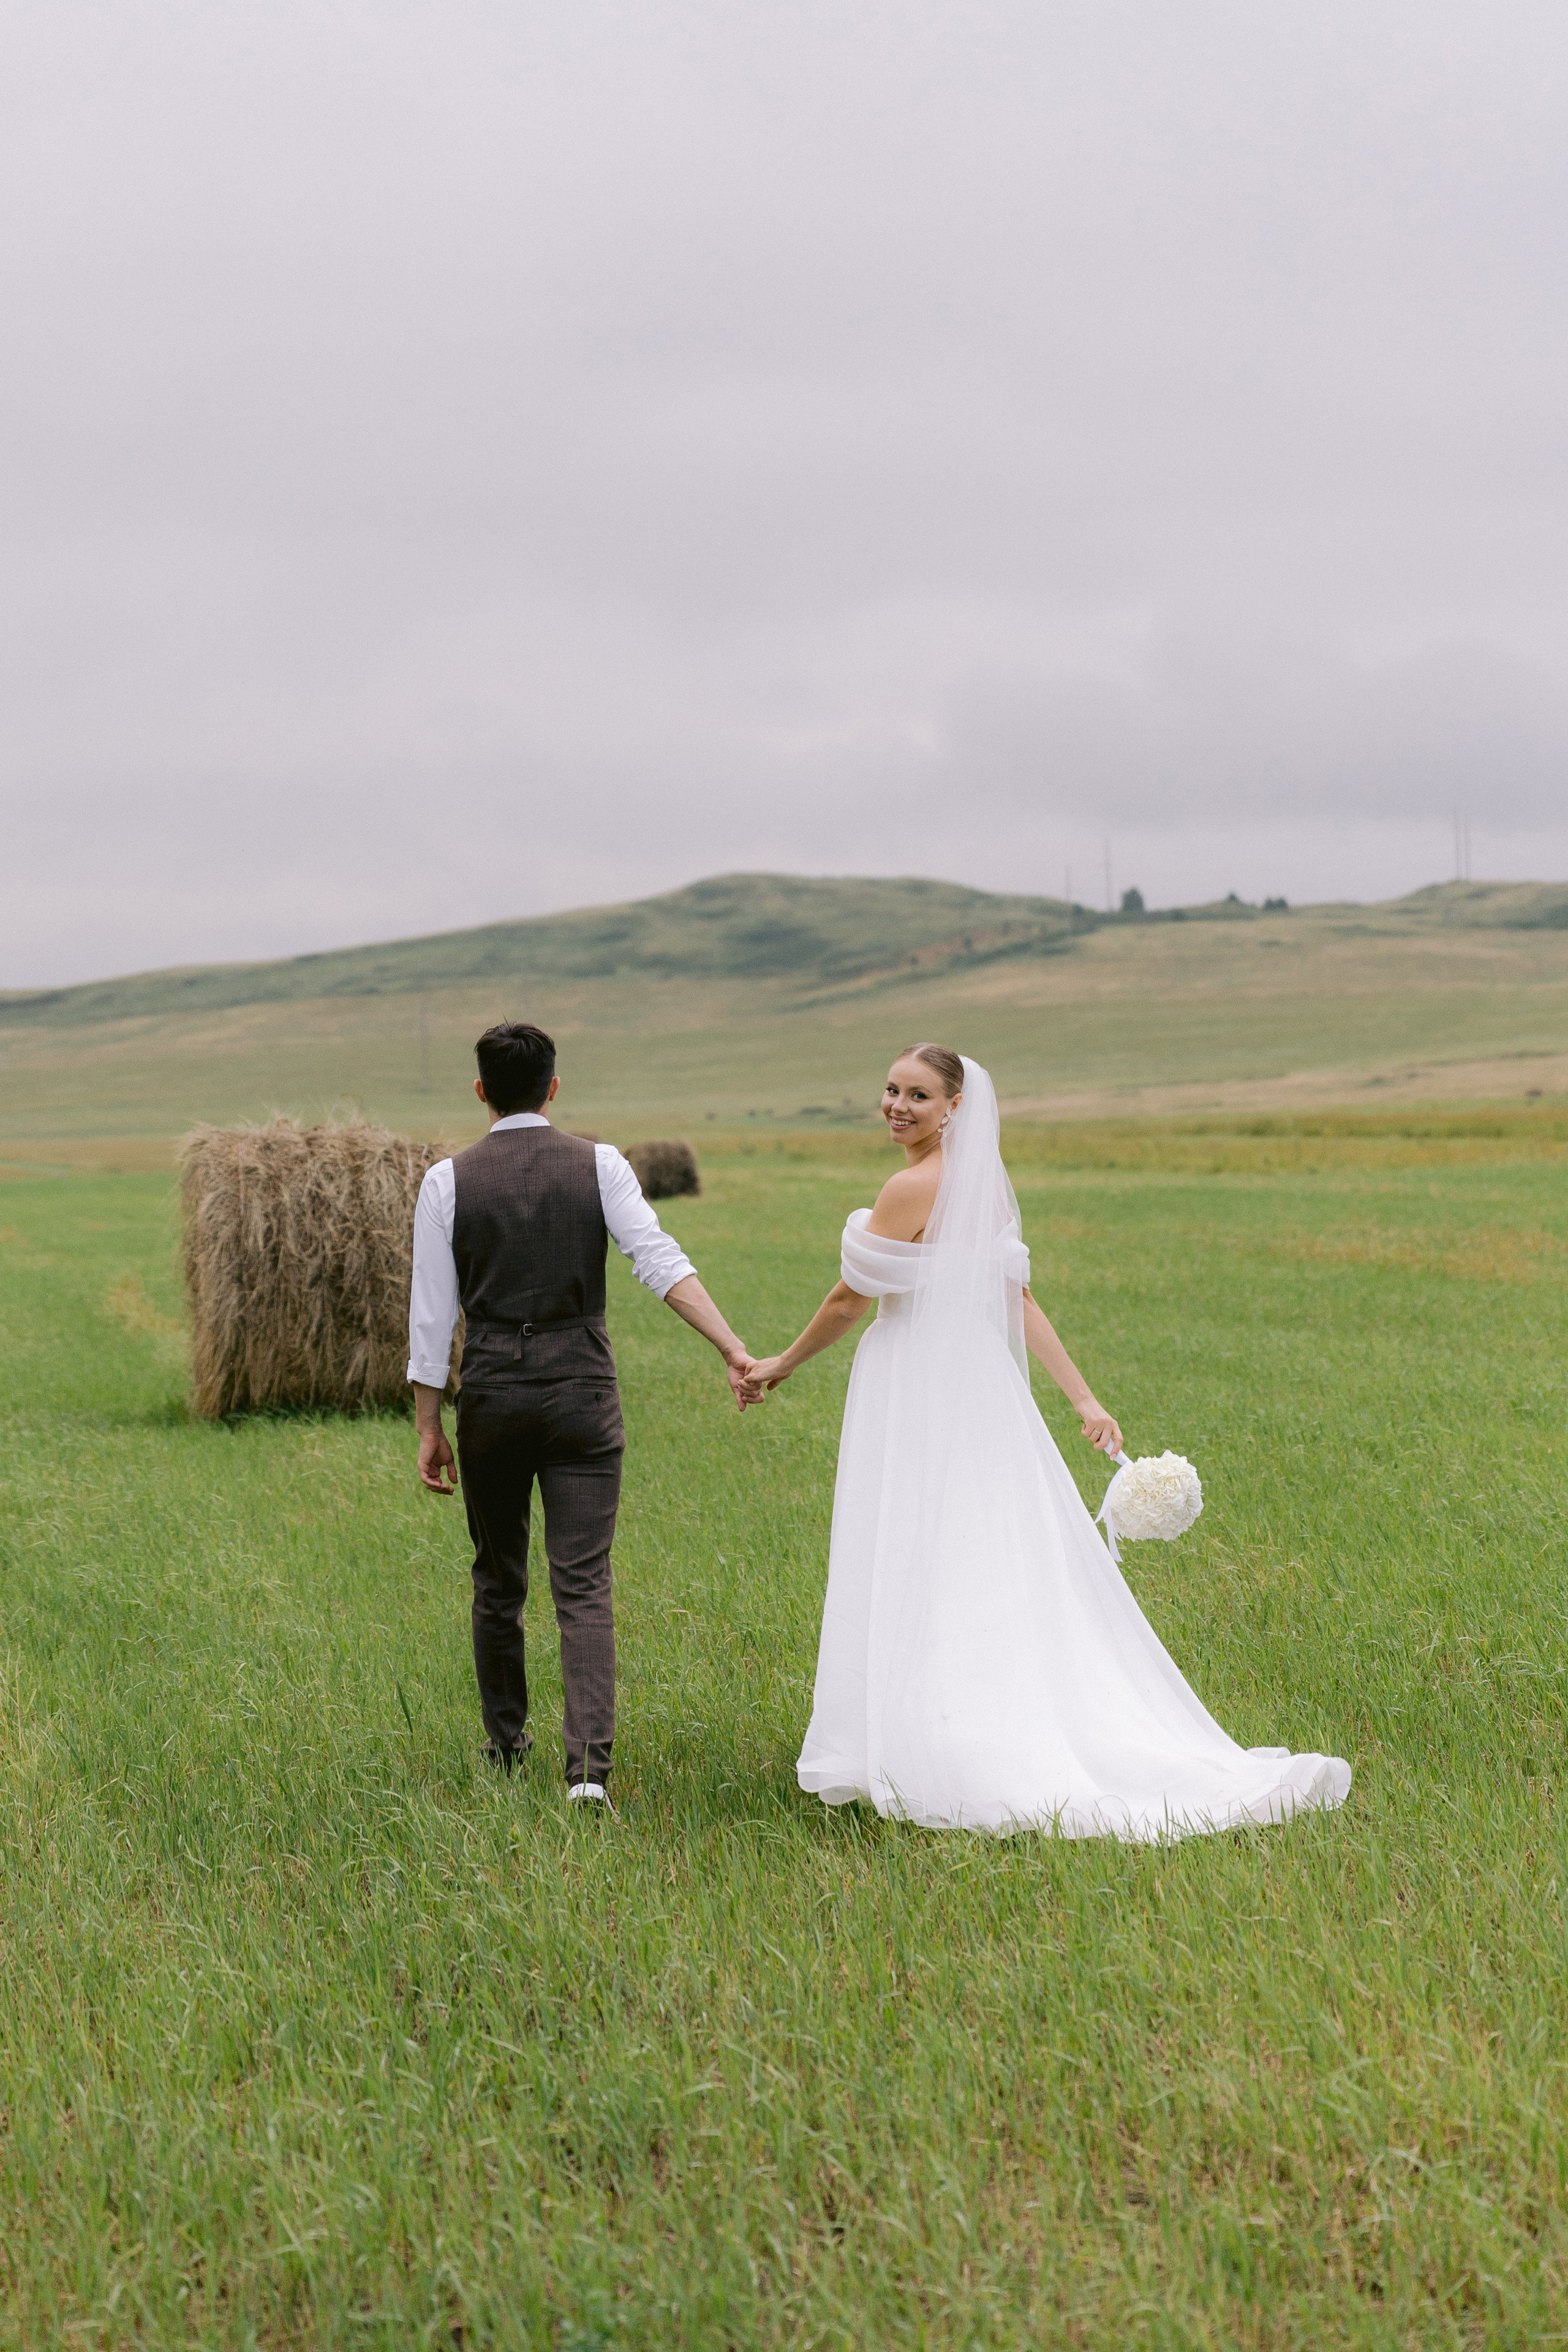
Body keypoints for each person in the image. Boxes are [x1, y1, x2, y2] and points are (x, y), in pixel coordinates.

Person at [741, 1044, 1351, 1837]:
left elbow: (850, 1300)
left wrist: (782, 1365)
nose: (897, 1106)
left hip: (917, 1378)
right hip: (976, 1380)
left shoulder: (910, 1187)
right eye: (890, 1090)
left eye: (917, 1096)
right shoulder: (984, 1187)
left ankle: (938, 1738)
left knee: (922, 1543)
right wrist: (1082, 1398)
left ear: (956, 1106)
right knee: (982, 1544)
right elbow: (1016, 1296)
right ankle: (953, 1719)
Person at [409, 1022, 753, 1805]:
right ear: (554, 1088)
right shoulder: (600, 1164)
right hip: (583, 1395)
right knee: (584, 1583)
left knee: (498, 1580)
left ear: (481, 1092)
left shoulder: (446, 1181)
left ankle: (505, 1746)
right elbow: (659, 1261)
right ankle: (590, 1773)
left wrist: (430, 1425)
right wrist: (731, 1348)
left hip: (491, 1395)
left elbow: (430, 1319)